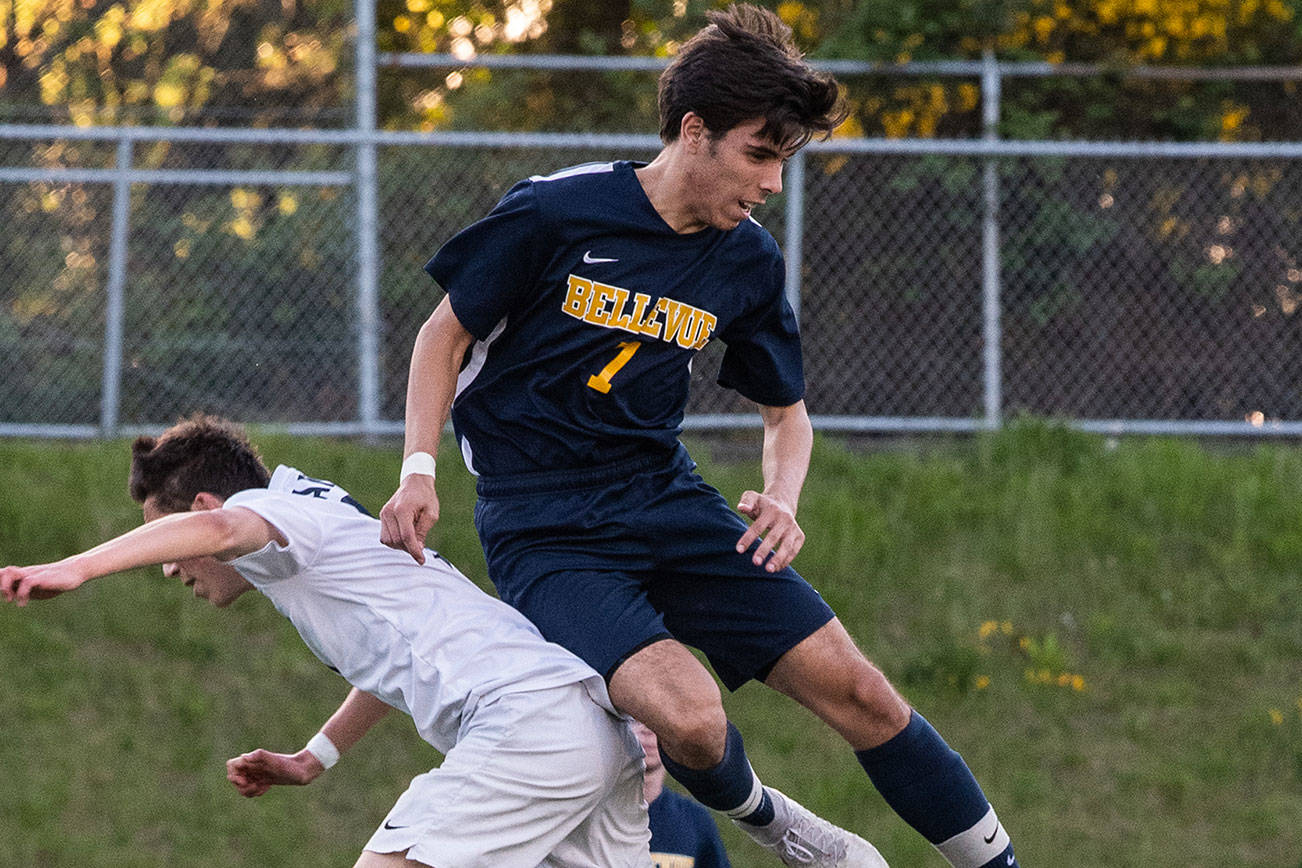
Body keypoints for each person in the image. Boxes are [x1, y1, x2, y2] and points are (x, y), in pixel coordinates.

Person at [380, 5, 1019, 868]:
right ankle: (774, 823)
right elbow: (439, 337)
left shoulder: (745, 259)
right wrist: (419, 470)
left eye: (786, 161)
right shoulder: (556, 214)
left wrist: (784, 500)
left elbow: (786, 415)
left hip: (665, 498)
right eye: (760, 154)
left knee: (864, 693)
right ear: (694, 131)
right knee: (688, 714)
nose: (772, 184)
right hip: (547, 528)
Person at [1, 414, 651, 868]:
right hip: (585, 726)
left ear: (199, 507)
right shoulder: (324, 528)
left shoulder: (274, 514)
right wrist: (314, 758)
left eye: (166, 538)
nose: (170, 567)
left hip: (527, 727)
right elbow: (391, 663)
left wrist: (77, 567)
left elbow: (225, 527)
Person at [632, 720, 731, 868]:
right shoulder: (591, 812)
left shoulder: (696, 821)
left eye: (657, 720)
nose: (648, 730)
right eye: (635, 719)